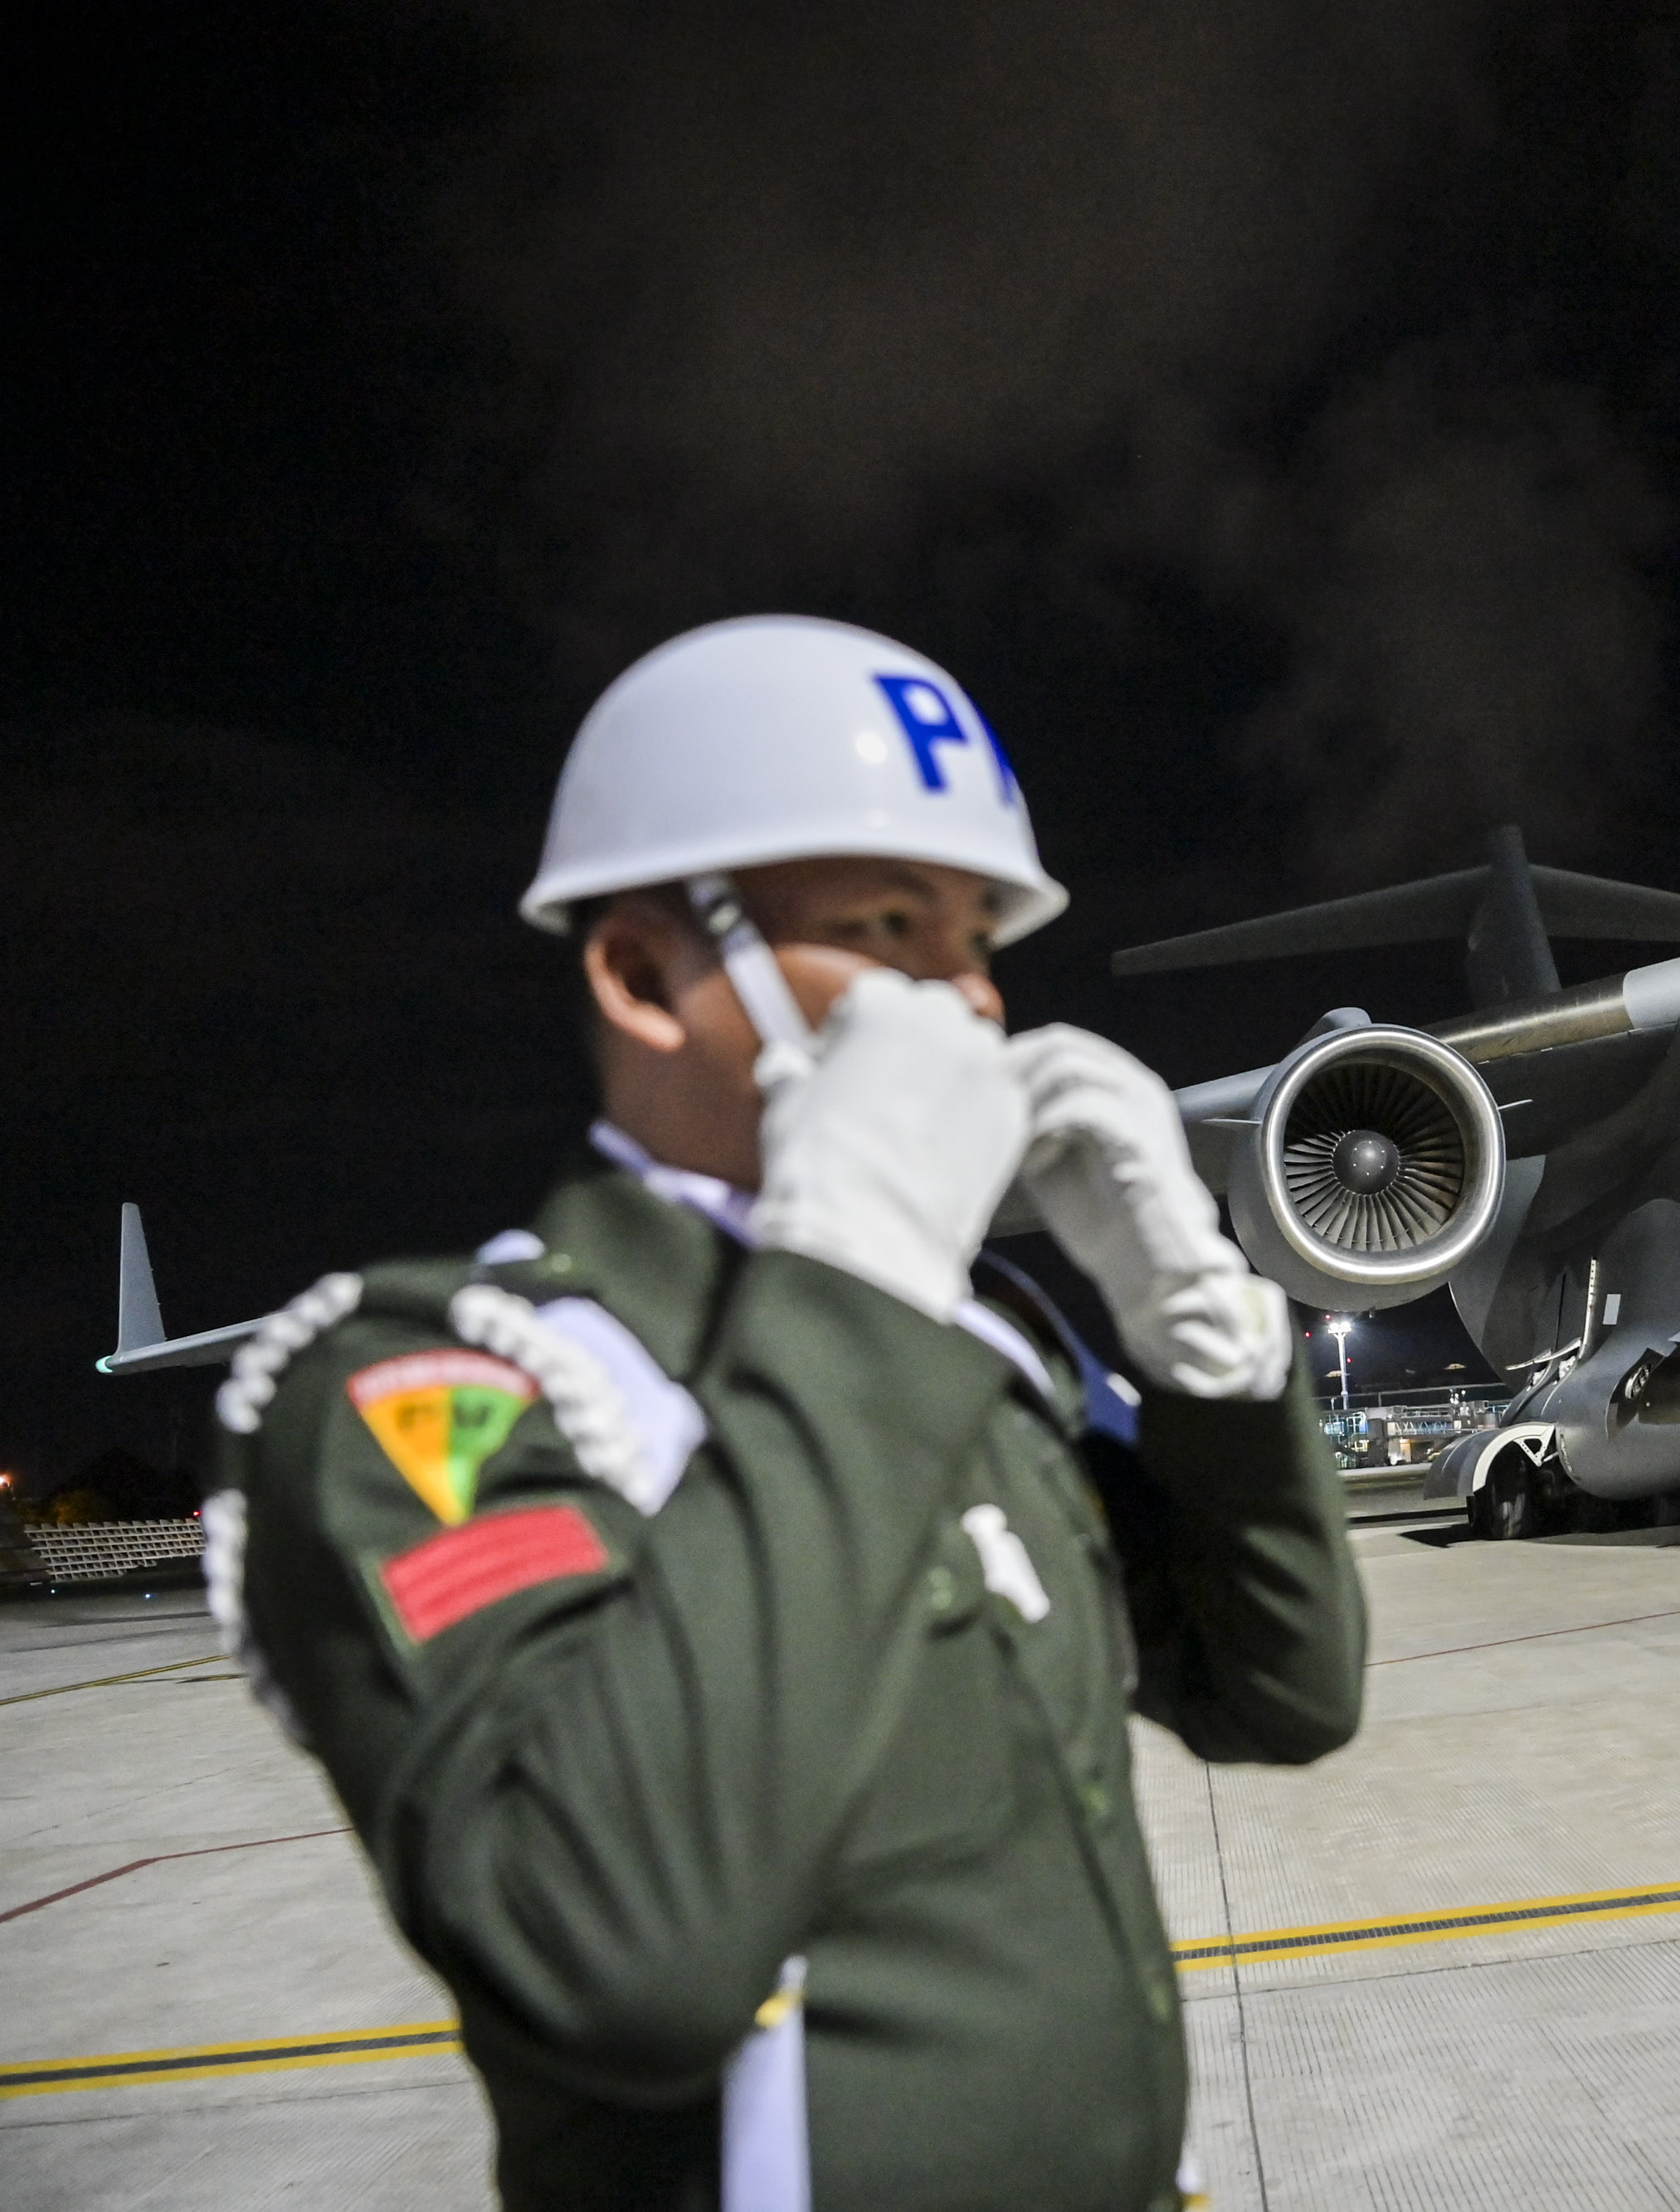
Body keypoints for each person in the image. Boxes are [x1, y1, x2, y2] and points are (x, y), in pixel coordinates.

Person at [206, 615, 1365, 2211]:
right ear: (640, 972)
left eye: (977, 942)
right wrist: (860, 1285)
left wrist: (1209, 1346)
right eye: (890, 927)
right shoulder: (445, 1386)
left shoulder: (970, 1337)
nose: (965, 1005)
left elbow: (1284, 1689)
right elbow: (620, 1959)